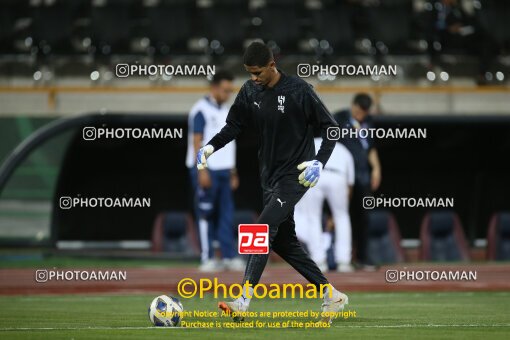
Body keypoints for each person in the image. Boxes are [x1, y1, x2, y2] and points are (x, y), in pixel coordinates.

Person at [196, 42, 348, 324]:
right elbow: (234, 126)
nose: (253, 78)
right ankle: (332, 294)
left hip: (297, 175)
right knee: (284, 242)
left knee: (261, 229)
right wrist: (210, 147)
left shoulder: (299, 90)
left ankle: (242, 302)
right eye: (249, 73)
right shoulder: (250, 90)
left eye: (257, 72)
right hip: (269, 177)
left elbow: (331, 127)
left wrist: (319, 161)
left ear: (271, 65)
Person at [186, 70, 244, 272]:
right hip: (206, 169)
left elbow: (230, 144)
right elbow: (197, 141)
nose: (228, 94)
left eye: (230, 91)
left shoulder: (228, 110)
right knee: (205, 213)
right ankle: (207, 257)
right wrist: (201, 169)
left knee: (226, 214)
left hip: (224, 170)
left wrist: (233, 171)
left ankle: (228, 256)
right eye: (225, 90)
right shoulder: (200, 110)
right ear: (214, 87)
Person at [334, 93, 381, 269]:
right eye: (359, 111)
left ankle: (362, 257)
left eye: (365, 112)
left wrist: (376, 168)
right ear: (353, 106)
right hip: (343, 177)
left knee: (363, 218)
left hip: (362, 176)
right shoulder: (338, 118)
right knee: (339, 216)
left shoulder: (368, 122)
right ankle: (337, 257)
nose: (361, 115)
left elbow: (370, 147)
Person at [294, 139, 355, 273]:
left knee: (312, 218)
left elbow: (298, 167)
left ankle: (319, 261)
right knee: (342, 217)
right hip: (337, 176)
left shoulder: (309, 143)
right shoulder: (342, 148)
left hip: (314, 173)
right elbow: (350, 184)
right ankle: (343, 261)